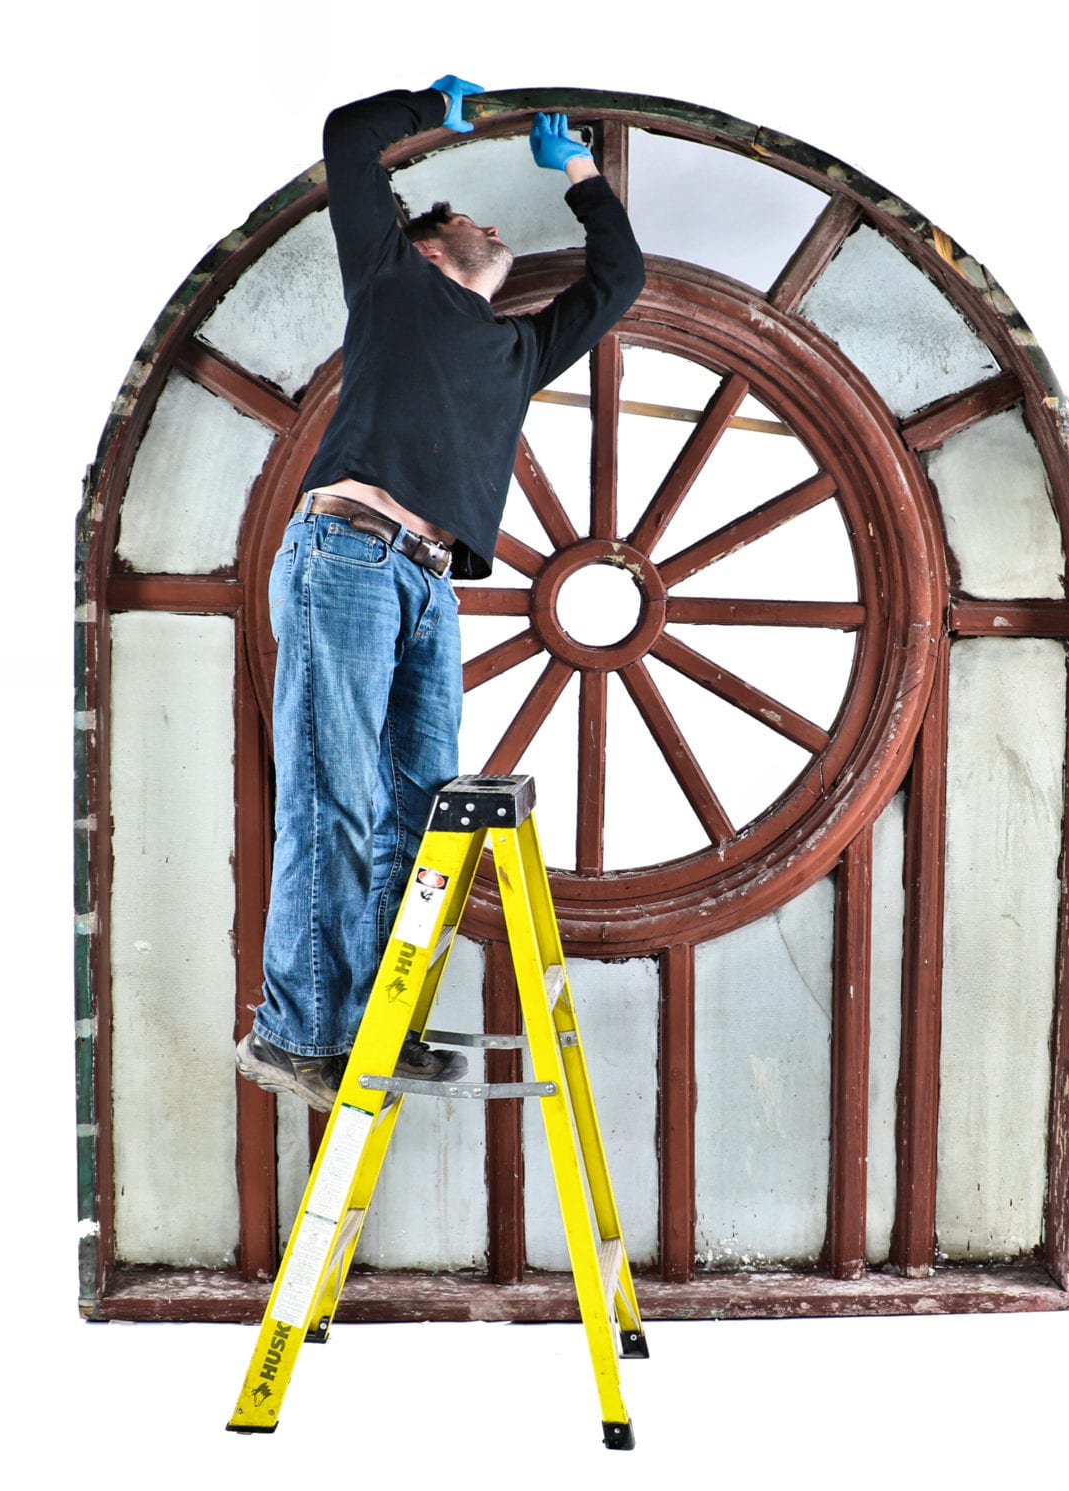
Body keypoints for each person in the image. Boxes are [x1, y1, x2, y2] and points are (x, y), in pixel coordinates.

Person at [236, 76, 645, 1110]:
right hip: (347, 554)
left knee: (424, 818)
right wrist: (435, 107)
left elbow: (620, 279)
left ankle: (379, 1023)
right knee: (333, 797)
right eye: (470, 219)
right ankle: (295, 1034)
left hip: (427, 584)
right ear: (427, 246)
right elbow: (348, 138)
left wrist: (581, 171)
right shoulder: (387, 282)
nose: (494, 228)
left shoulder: (518, 348)